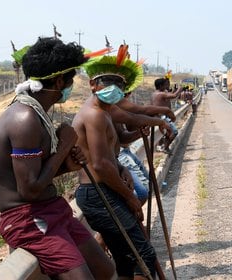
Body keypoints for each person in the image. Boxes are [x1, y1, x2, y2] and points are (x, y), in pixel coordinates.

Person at [0, 37, 114, 279]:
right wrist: (64, 147)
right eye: (71, 80)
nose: (71, 87)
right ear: (58, 81)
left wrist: (66, 166)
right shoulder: (24, 118)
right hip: (26, 218)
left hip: (51, 209)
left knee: (105, 270)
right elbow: (29, 190)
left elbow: (35, 175)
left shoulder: (37, 113)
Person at [73, 52, 157, 279]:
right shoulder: (94, 115)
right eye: (108, 82)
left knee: (125, 258)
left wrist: (122, 169)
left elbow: (110, 152)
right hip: (98, 193)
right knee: (144, 255)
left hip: (105, 188)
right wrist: (129, 197)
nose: (115, 88)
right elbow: (99, 165)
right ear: (92, 84)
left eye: (120, 84)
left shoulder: (106, 112)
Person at [151, 77, 182, 152]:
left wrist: (174, 91)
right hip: (162, 117)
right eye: (165, 85)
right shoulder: (161, 94)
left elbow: (170, 95)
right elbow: (174, 96)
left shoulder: (155, 93)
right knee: (174, 131)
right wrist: (180, 89)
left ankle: (165, 146)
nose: (166, 86)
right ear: (161, 86)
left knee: (168, 132)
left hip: (159, 116)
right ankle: (165, 147)